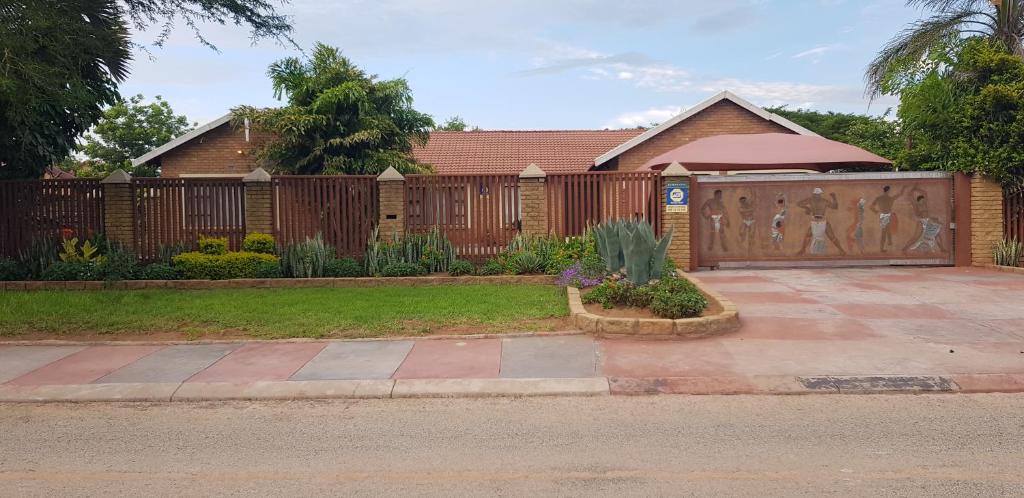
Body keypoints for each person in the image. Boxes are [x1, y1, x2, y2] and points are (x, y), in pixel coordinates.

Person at [796, 187, 846, 256]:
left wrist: (834, 198)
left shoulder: (824, 201)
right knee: (808, 235)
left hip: (823, 221)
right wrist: (806, 207)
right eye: (816, 194)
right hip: (814, 221)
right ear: (814, 194)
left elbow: (835, 207)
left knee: (832, 237)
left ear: (820, 194)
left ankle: (841, 250)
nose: (818, 196)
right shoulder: (810, 200)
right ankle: (802, 250)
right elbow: (799, 203)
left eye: (819, 194)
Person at [903, 185, 946, 254]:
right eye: (922, 202)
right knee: (916, 237)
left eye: (924, 201)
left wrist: (917, 188)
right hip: (922, 221)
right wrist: (913, 189)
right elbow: (910, 196)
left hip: (928, 220)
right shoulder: (916, 205)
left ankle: (942, 248)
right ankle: (905, 248)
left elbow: (925, 193)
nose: (923, 203)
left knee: (936, 232)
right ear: (918, 201)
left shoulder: (925, 203)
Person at [869, 185, 906, 252]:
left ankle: (889, 242)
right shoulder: (890, 198)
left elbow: (871, 207)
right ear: (888, 191)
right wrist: (903, 188)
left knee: (888, 229)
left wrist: (876, 211)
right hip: (885, 216)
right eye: (890, 191)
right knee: (884, 232)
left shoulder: (879, 198)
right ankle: (882, 248)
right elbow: (900, 194)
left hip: (886, 215)